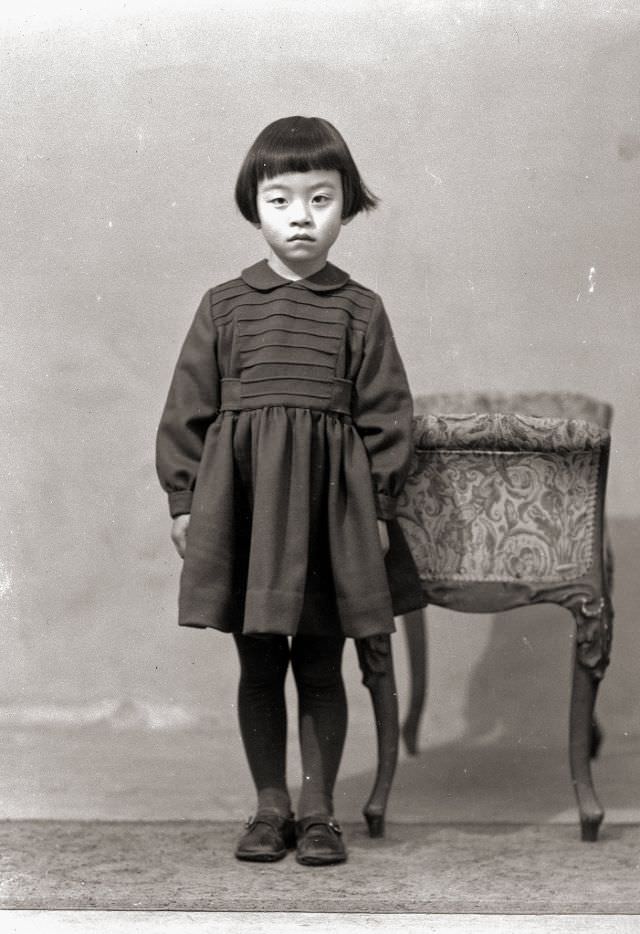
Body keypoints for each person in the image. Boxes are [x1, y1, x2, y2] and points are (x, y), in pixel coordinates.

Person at [156, 115, 424, 866]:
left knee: (320, 662)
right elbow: (186, 412)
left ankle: (318, 813)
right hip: (245, 514)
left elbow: (387, 417)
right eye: (280, 200)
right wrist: (184, 501)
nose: (301, 217)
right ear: (254, 205)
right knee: (258, 662)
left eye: (320, 198)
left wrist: (377, 506)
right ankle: (269, 806)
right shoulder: (223, 306)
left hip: (328, 519)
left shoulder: (361, 310)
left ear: (348, 207)